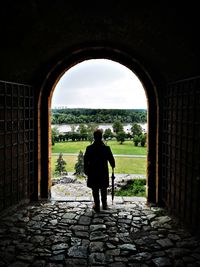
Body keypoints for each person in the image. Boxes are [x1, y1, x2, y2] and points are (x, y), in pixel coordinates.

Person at [84, 129, 115, 212]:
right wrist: (112, 166)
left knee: (95, 189)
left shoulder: (89, 148)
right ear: (101, 137)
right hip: (103, 172)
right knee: (103, 189)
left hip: (93, 172)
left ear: (94, 137)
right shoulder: (106, 148)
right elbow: (112, 162)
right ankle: (104, 205)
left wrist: (86, 170)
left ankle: (97, 205)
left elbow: (85, 161)